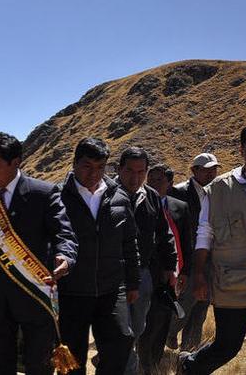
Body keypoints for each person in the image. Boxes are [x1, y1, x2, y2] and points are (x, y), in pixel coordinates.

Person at [0, 132, 78, 375]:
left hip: (34, 296)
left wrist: (65, 258)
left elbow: (64, 234)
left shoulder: (43, 193)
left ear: (16, 162)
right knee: (1, 366)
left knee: (39, 366)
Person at [180, 121, 246, 374]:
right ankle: (188, 366)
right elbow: (204, 232)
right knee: (227, 347)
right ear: (242, 149)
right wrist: (199, 274)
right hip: (234, 279)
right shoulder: (220, 188)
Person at [57, 138, 139, 375]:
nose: (94, 173)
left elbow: (129, 243)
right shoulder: (58, 197)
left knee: (122, 341)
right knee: (70, 357)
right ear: (74, 164)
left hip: (111, 289)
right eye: (86, 166)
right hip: (71, 291)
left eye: (100, 167)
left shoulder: (119, 198)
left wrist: (133, 282)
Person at [116, 147, 176, 375]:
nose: (135, 177)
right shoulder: (107, 194)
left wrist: (170, 267)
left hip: (143, 275)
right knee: (120, 330)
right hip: (114, 276)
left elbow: (163, 233)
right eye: (130, 170)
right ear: (119, 169)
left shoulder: (151, 195)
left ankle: (113, 357)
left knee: (138, 327)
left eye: (141, 171)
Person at [138, 163, 193, 374]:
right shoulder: (140, 204)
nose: (153, 183)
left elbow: (186, 242)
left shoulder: (180, 207)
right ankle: (144, 364)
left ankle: (155, 359)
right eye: (150, 179)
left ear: (170, 183)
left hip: (173, 275)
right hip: (147, 274)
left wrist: (185, 271)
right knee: (147, 322)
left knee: (162, 321)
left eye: (159, 180)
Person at [166, 153, 220, 351]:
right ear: (194, 170)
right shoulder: (178, 192)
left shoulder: (220, 190)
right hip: (189, 258)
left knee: (201, 306)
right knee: (187, 300)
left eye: (214, 169)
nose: (211, 173)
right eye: (206, 169)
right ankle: (166, 333)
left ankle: (189, 354)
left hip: (212, 257)